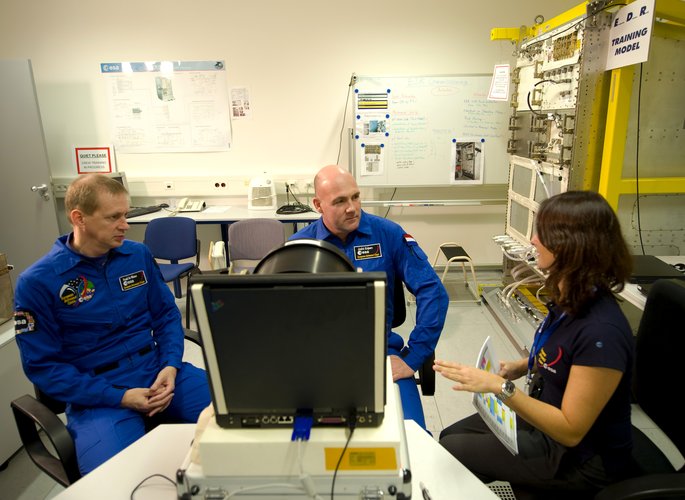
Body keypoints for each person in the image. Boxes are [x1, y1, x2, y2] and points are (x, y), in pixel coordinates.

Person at [434, 190, 634, 497]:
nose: (532, 240)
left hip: (579, 458)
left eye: (542, 233)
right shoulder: (572, 297)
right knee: (450, 434)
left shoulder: (602, 333)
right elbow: (563, 353)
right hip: (546, 417)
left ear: (572, 245)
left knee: (453, 448)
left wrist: (500, 388)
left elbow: (570, 430)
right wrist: (523, 365)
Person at [13, 174, 210, 475]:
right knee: (117, 480)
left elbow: (167, 315)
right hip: (99, 395)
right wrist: (119, 397)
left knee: (248, 422)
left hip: (158, 373)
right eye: (114, 217)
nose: (125, 225)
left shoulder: (137, 255)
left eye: (126, 214)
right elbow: (43, 366)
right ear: (79, 218)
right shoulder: (38, 282)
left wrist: (170, 365)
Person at [290, 165, 449, 429]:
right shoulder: (299, 247)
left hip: (380, 353)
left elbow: (433, 292)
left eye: (355, 197)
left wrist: (413, 357)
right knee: (301, 440)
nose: (352, 208)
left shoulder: (387, 234)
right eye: (340, 201)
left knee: (412, 439)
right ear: (318, 205)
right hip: (318, 357)